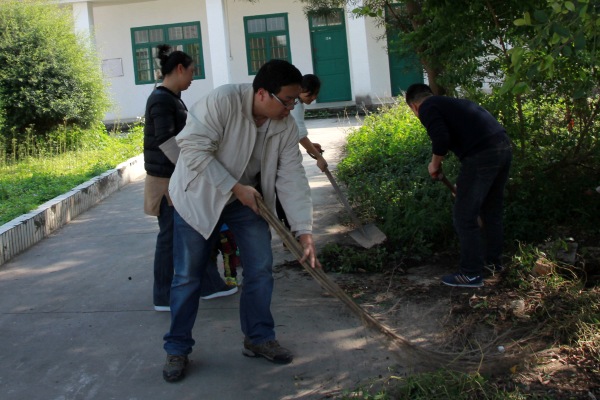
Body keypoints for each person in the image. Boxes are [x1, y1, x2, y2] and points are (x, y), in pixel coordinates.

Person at [162, 59, 321, 382]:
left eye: (294, 101)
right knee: (187, 277)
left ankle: (259, 337)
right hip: (199, 196)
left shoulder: (284, 126)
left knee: (260, 268)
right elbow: (192, 148)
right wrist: (235, 187)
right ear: (262, 93)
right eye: (287, 100)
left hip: (245, 201)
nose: (291, 107)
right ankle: (177, 348)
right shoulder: (222, 102)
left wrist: (303, 230)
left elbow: (291, 176)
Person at [143, 44, 237, 313]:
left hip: (175, 179)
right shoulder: (162, 99)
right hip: (167, 182)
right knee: (170, 238)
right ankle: (164, 295)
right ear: (179, 69)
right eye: (192, 71)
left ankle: (207, 285)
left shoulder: (171, 97)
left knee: (194, 231)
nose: (193, 77)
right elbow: (165, 139)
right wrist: (191, 167)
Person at [405, 83, 512, 288]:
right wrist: (466, 187)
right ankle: (493, 264)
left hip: (482, 154)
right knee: (491, 211)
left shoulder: (427, 107)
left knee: (464, 216)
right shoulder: (450, 103)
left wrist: (434, 164)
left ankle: (471, 274)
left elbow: (441, 139)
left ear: (414, 106)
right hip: (502, 147)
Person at [276, 74, 326, 229]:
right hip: (280, 154)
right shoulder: (295, 104)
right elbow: (300, 134)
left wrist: (311, 145)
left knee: (284, 190)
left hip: (283, 150)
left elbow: (297, 133)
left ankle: (289, 226)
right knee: (290, 191)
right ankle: (291, 227)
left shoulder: (297, 104)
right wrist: (318, 157)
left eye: (316, 94)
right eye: (310, 94)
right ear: (301, 90)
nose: (313, 98)